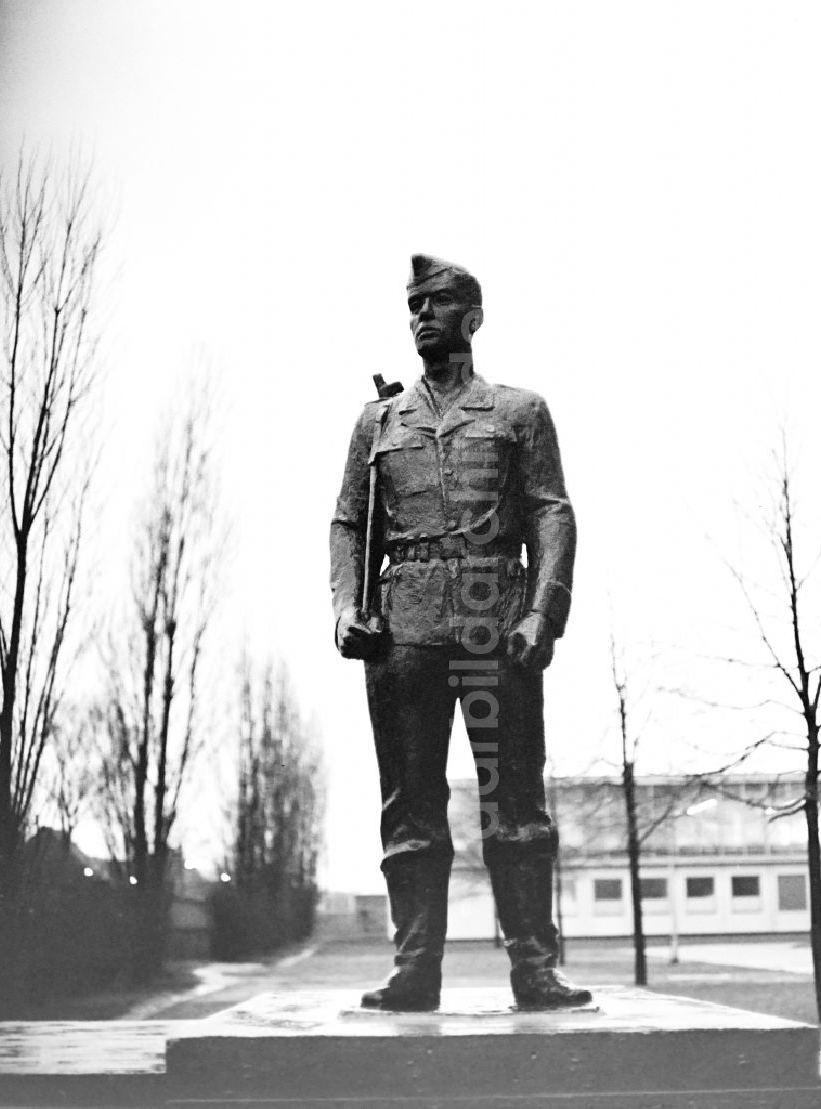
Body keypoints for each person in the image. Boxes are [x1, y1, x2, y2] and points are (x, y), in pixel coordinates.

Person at [329, 254, 590, 1011]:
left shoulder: (518, 412)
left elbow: (552, 511)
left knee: (514, 808)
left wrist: (545, 612)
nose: (423, 315)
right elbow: (348, 520)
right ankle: (415, 970)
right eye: (414, 304)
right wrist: (347, 606)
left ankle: (534, 968)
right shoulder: (378, 423)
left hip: (492, 622)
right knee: (410, 807)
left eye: (439, 302)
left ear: (473, 318)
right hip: (402, 632)